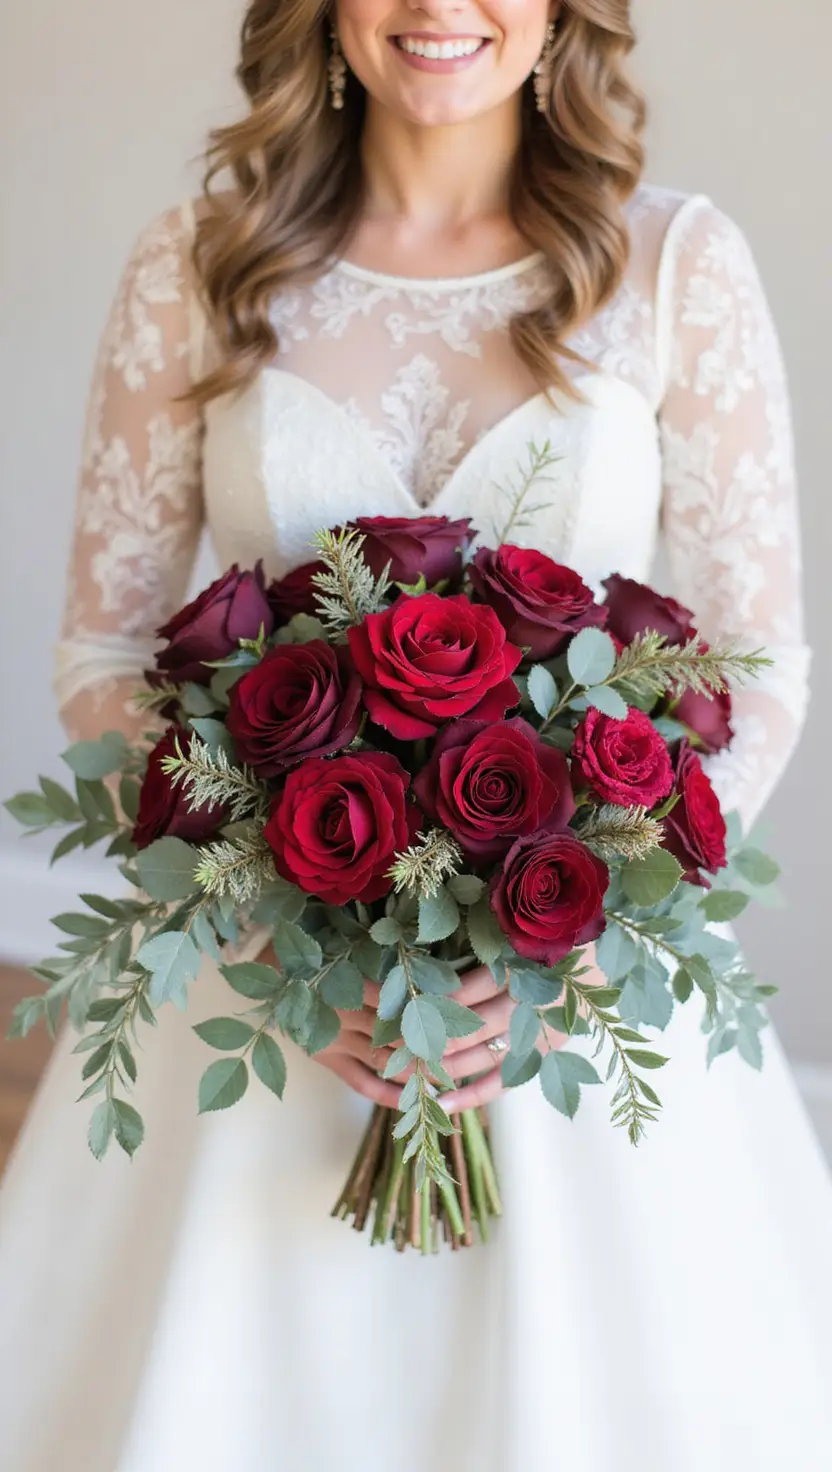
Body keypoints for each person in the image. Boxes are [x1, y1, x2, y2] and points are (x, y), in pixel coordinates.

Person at [2, 0, 831, 1467]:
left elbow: (754, 664)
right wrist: (266, 936)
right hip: (263, 998)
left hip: (572, 997)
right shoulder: (199, 262)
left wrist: (575, 941)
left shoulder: (674, 263)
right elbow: (107, 649)